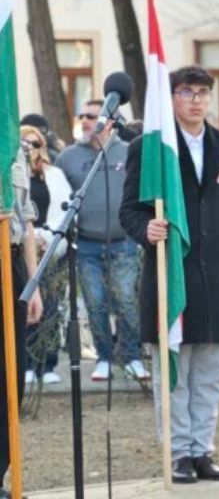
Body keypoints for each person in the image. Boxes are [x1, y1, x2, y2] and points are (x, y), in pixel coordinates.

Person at [121, 66, 219, 484]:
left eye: (203, 93)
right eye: (186, 92)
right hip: (172, 274)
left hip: (218, 276)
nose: (196, 100)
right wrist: (147, 229)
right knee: (175, 368)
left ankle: (202, 450)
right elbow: (130, 209)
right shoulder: (151, 147)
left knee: (210, 372)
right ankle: (178, 452)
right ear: (171, 97)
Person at [56, 99, 148, 383]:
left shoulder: (129, 151)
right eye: (81, 115)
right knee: (95, 303)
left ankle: (131, 357)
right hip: (87, 244)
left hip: (124, 241)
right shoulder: (68, 157)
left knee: (126, 300)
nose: (85, 121)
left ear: (110, 121)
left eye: (92, 116)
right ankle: (105, 358)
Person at [2, 142, 45, 499]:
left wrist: (33, 284)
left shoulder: (14, 150)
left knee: (10, 379)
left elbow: (27, 222)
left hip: (11, 265)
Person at [19, 126, 69, 384]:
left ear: (43, 147)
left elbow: (65, 211)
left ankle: (48, 365)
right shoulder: (13, 175)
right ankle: (26, 364)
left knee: (50, 307)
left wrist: (45, 238)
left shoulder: (55, 175)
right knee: (25, 306)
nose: (29, 148)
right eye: (24, 143)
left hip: (49, 249)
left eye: (35, 143)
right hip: (21, 249)